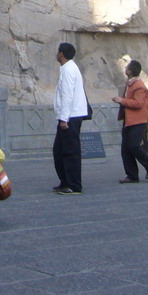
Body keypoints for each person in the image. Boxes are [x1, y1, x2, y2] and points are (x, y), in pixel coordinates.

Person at [112, 58, 148, 184]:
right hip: (129, 119)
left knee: (133, 145)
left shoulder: (139, 85)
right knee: (126, 148)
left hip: (137, 120)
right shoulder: (130, 83)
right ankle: (132, 175)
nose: (125, 69)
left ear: (130, 71)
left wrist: (121, 101)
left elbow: (138, 103)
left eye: (127, 67)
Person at [52, 42, 89, 195]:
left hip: (70, 117)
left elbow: (67, 95)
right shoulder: (69, 68)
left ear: (61, 53)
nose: (57, 54)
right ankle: (66, 181)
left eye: (58, 51)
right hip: (70, 115)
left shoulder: (68, 69)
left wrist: (63, 119)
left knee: (69, 152)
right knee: (59, 150)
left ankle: (74, 185)